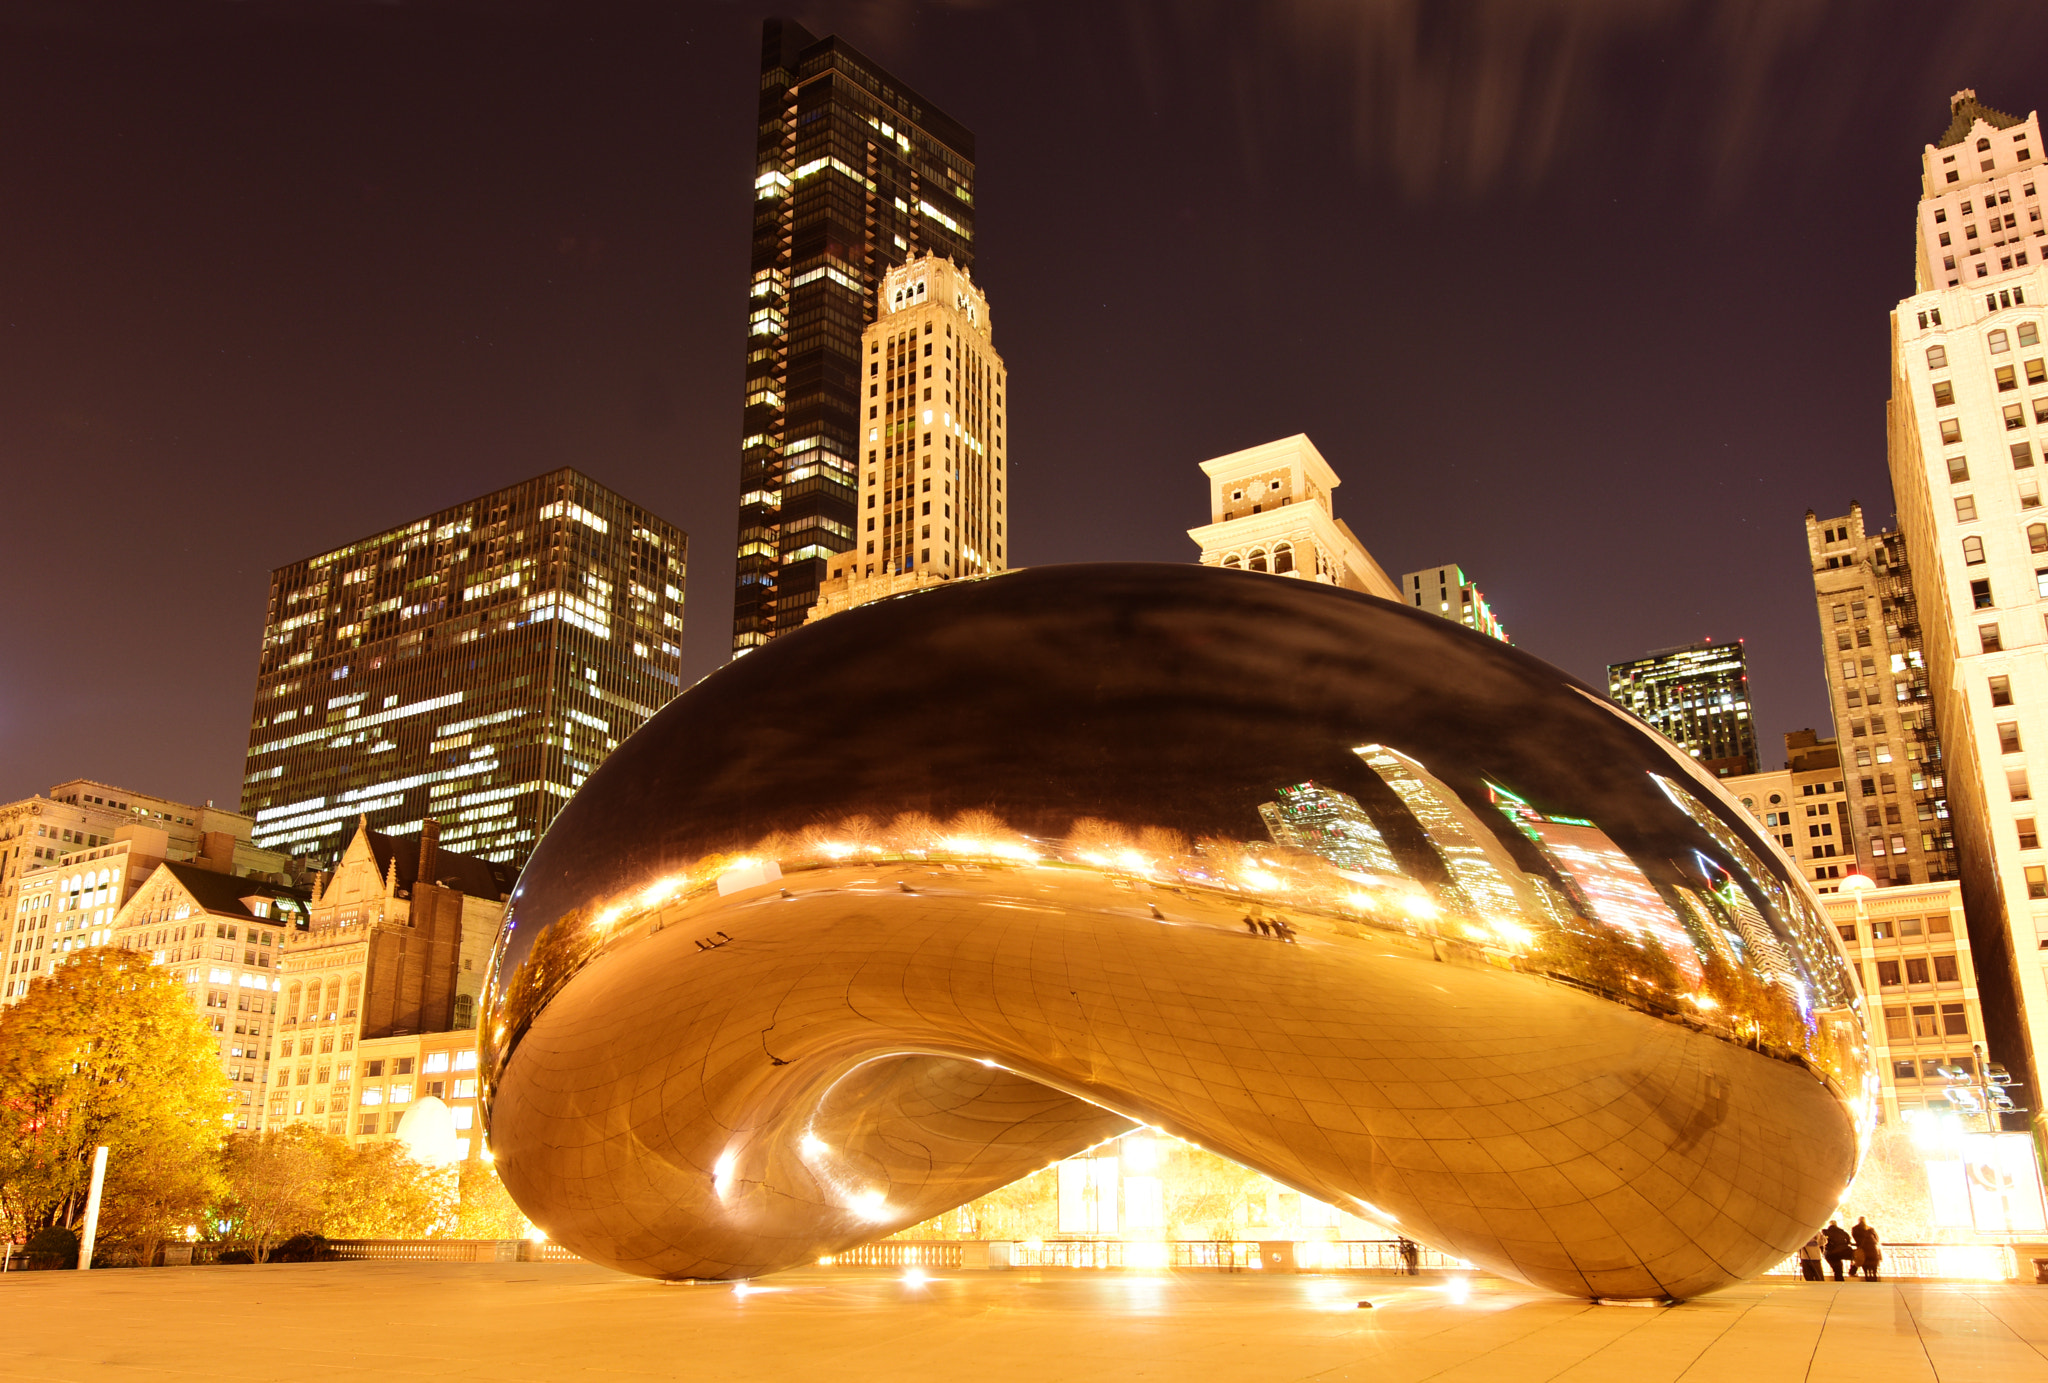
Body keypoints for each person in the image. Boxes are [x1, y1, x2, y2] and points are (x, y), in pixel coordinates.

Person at [1851, 1217, 1882, 1283]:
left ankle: (1867, 1276)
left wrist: (1859, 1244)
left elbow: (1855, 1237)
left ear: (1859, 1221)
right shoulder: (1870, 1229)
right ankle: (1874, 1277)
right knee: (1873, 1264)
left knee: (1865, 1263)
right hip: (1873, 1249)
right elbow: (1877, 1238)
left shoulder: (1855, 1229)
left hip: (1863, 1249)